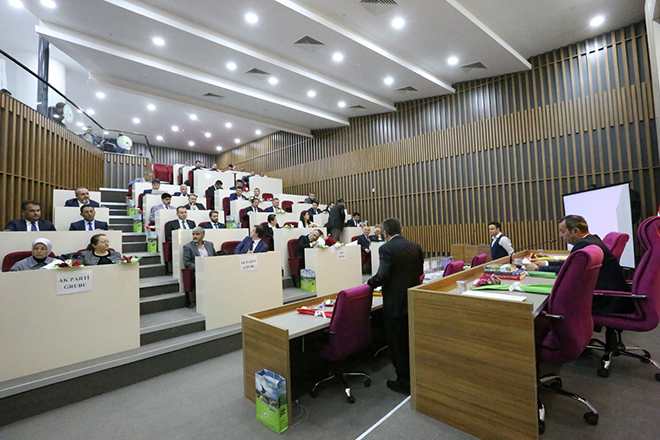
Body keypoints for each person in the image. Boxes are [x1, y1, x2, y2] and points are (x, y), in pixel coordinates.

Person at [523, 215, 633, 315]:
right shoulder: (592, 240)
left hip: (606, 300)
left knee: (550, 301)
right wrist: (546, 263)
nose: (560, 235)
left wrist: (538, 269)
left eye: (563, 232)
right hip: (613, 295)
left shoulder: (584, 245)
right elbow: (572, 263)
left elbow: (570, 269)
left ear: (575, 231)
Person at [367, 218, 424, 395]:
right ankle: (414, 376)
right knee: (409, 341)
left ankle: (404, 382)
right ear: (401, 229)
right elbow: (420, 272)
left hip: (394, 303)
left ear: (385, 233)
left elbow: (383, 275)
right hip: (411, 301)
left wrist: (369, 284)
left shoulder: (386, 248)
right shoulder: (415, 246)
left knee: (397, 345)